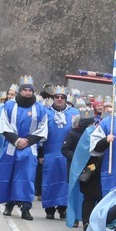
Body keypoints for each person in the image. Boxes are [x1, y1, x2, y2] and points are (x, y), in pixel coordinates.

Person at [0, 76, 48, 220]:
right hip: (12, 146)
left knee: (27, 177)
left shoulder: (39, 108)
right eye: (25, 90)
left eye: (30, 90)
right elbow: (4, 124)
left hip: (29, 148)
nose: (27, 92)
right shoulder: (9, 106)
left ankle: (26, 208)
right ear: (20, 91)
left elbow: (43, 128)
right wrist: (16, 140)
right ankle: (9, 204)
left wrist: (28, 141)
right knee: (10, 175)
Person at [41, 86, 77, 219]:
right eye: (57, 97)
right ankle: (49, 209)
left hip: (68, 154)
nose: (60, 99)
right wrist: (40, 153)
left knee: (65, 181)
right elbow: (40, 133)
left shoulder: (74, 113)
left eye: (62, 97)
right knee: (50, 180)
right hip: (50, 152)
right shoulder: (45, 112)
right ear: (53, 99)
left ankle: (63, 208)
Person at [65, 107, 101, 231]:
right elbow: (68, 150)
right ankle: (84, 221)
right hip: (88, 170)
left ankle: (95, 221)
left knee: (96, 198)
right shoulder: (76, 133)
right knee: (88, 197)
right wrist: (77, 161)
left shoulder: (99, 132)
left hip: (100, 169)